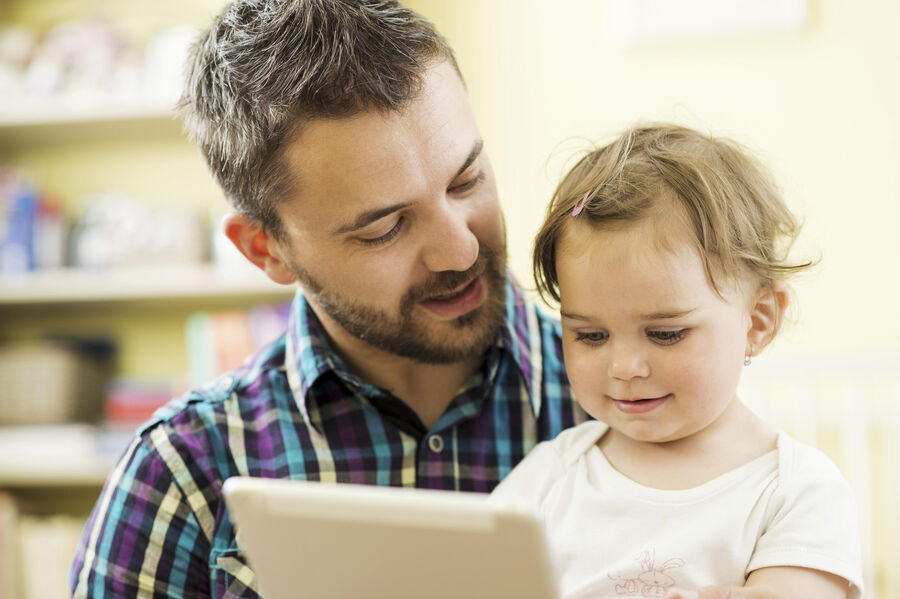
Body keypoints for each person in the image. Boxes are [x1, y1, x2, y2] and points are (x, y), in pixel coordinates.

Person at [68, 1, 587, 597]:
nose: (460, 250)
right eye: (383, 228)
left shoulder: (640, 401)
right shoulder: (182, 472)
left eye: (466, 180)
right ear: (267, 250)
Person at [491, 124, 863, 599]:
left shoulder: (796, 492)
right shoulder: (549, 478)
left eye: (665, 333)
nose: (624, 367)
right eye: (591, 335)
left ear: (758, 321)